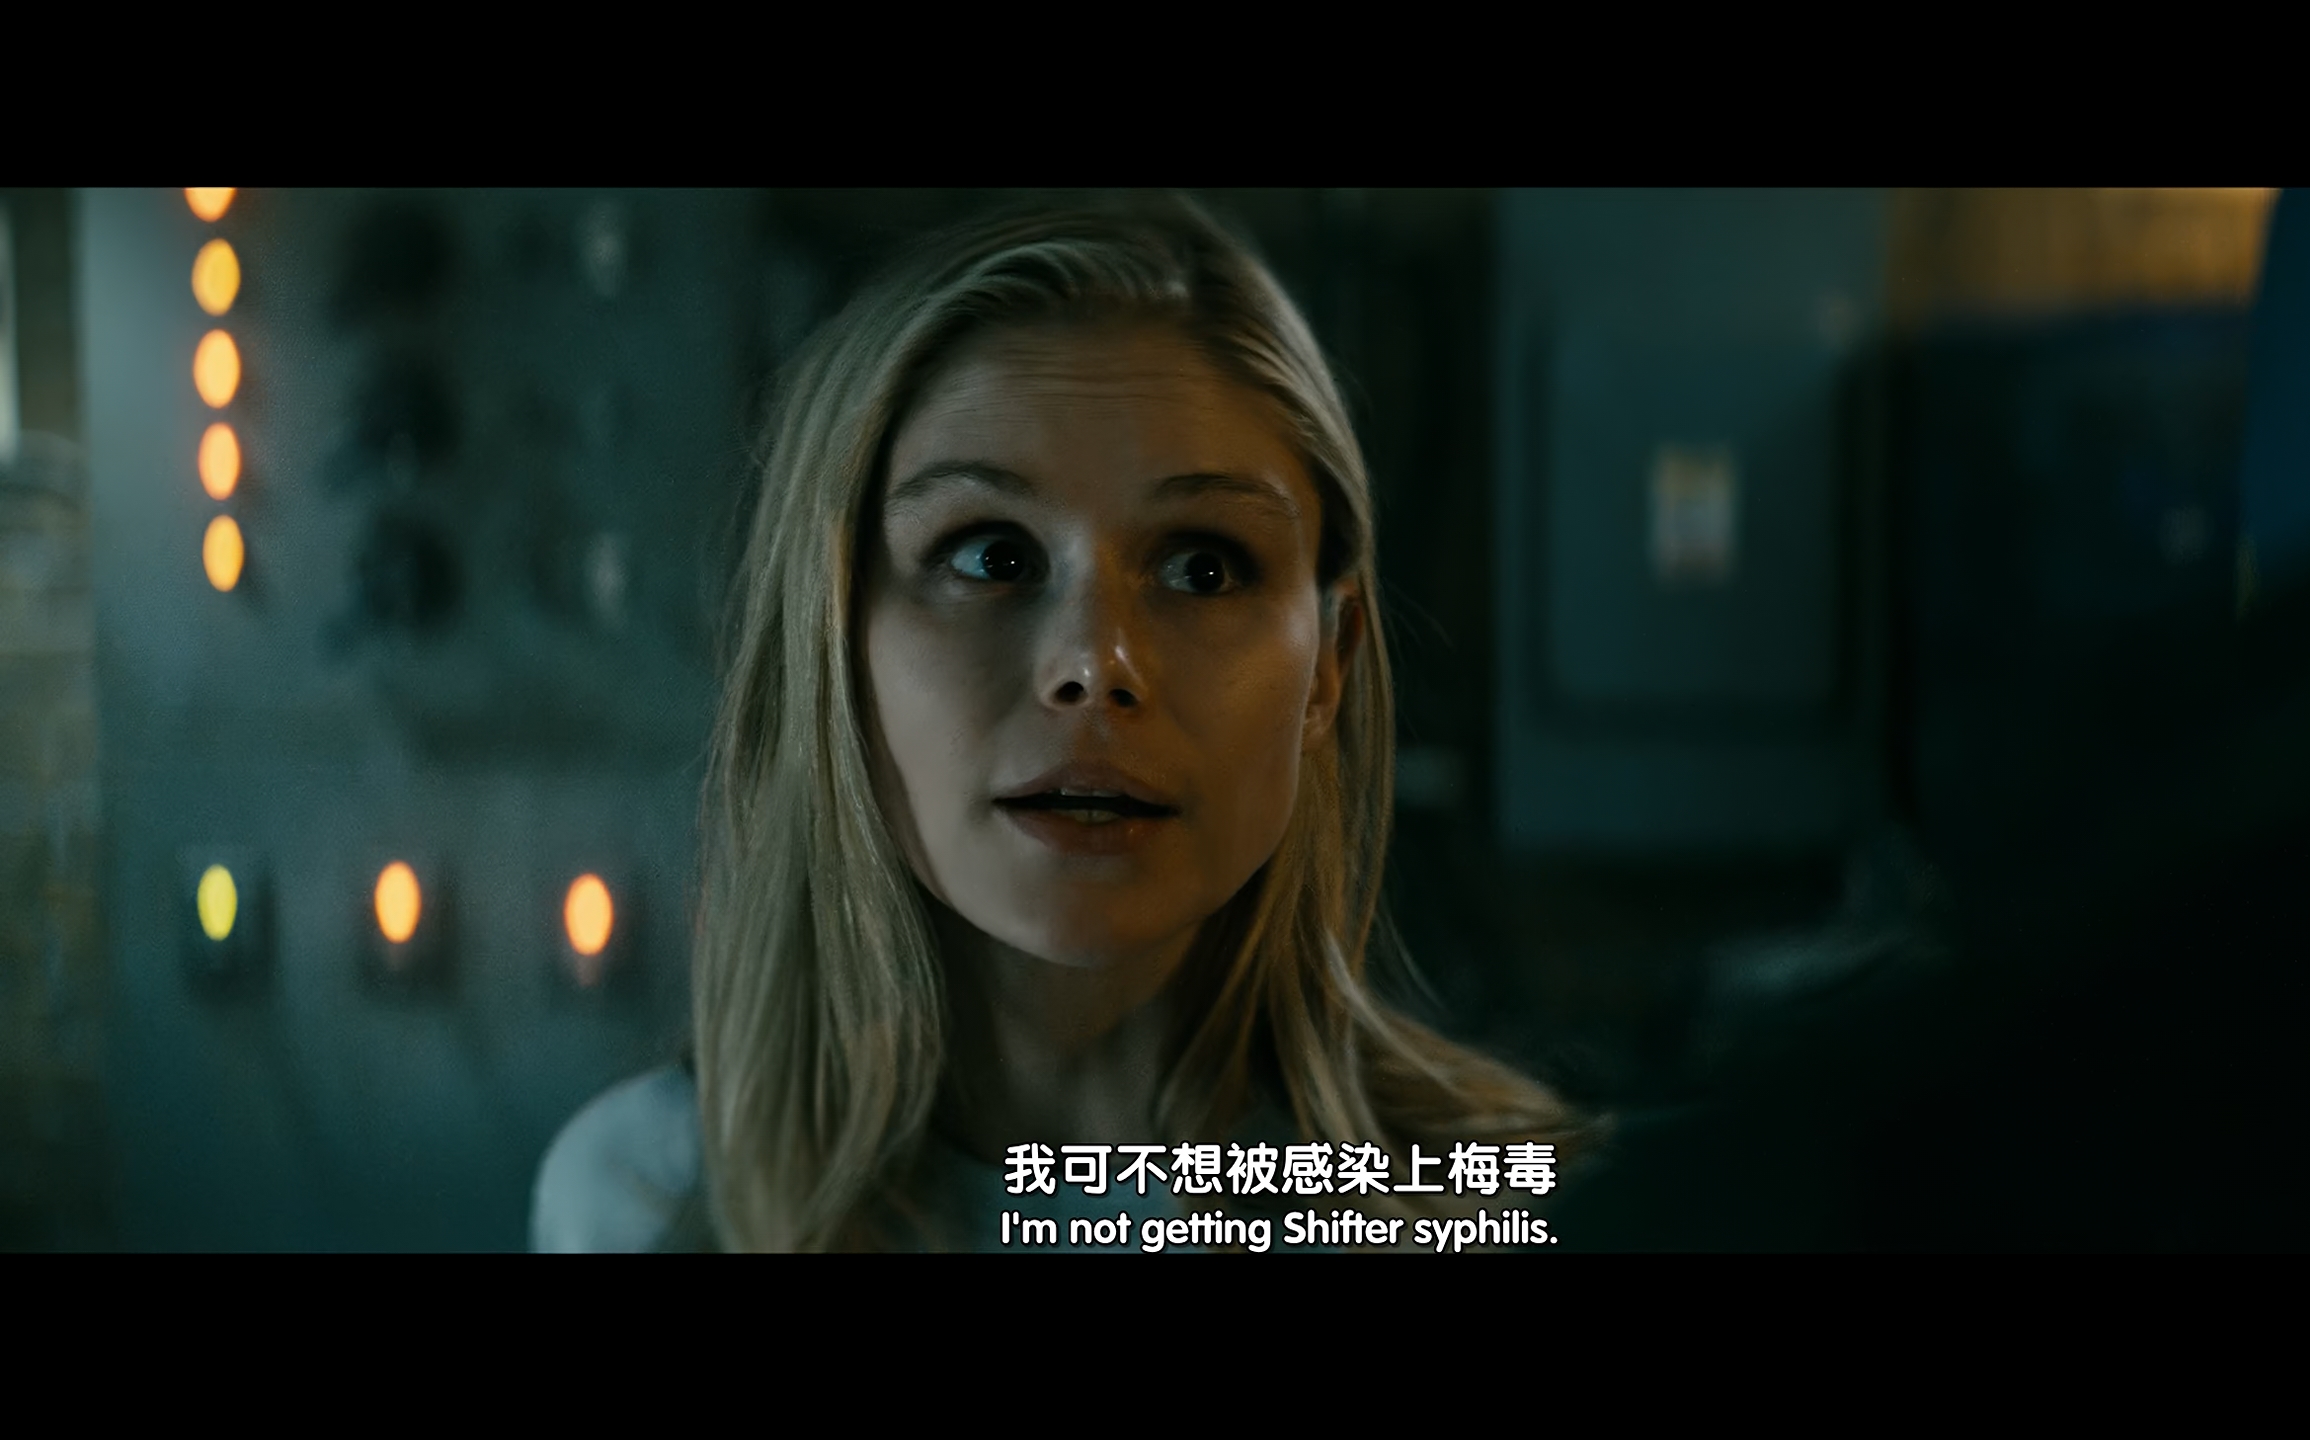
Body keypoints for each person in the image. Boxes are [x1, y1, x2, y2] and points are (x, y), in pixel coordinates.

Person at [533, 196, 1586, 1253]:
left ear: (1329, 668)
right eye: (991, 556)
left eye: (1202, 567)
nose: (1093, 663)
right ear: (833, 644)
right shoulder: (644, 1200)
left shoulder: (1503, 1202)